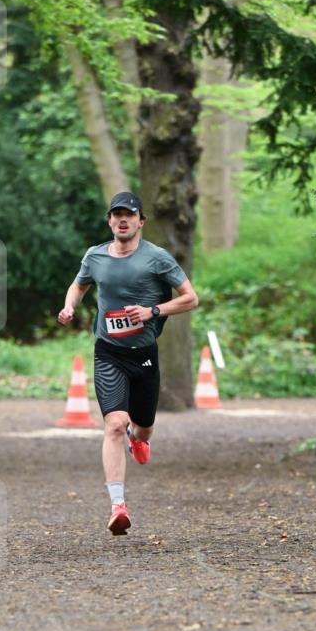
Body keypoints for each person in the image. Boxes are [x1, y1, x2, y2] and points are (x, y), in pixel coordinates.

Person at [58, 192, 199, 535]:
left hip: (145, 354)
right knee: (114, 425)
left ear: (140, 221)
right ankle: (117, 506)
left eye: (129, 215)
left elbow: (190, 298)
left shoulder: (157, 258)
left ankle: (141, 437)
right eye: (116, 215)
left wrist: (153, 311)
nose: (122, 220)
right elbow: (78, 286)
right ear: (109, 221)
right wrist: (70, 306)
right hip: (109, 352)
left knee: (143, 425)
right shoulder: (95, 256)